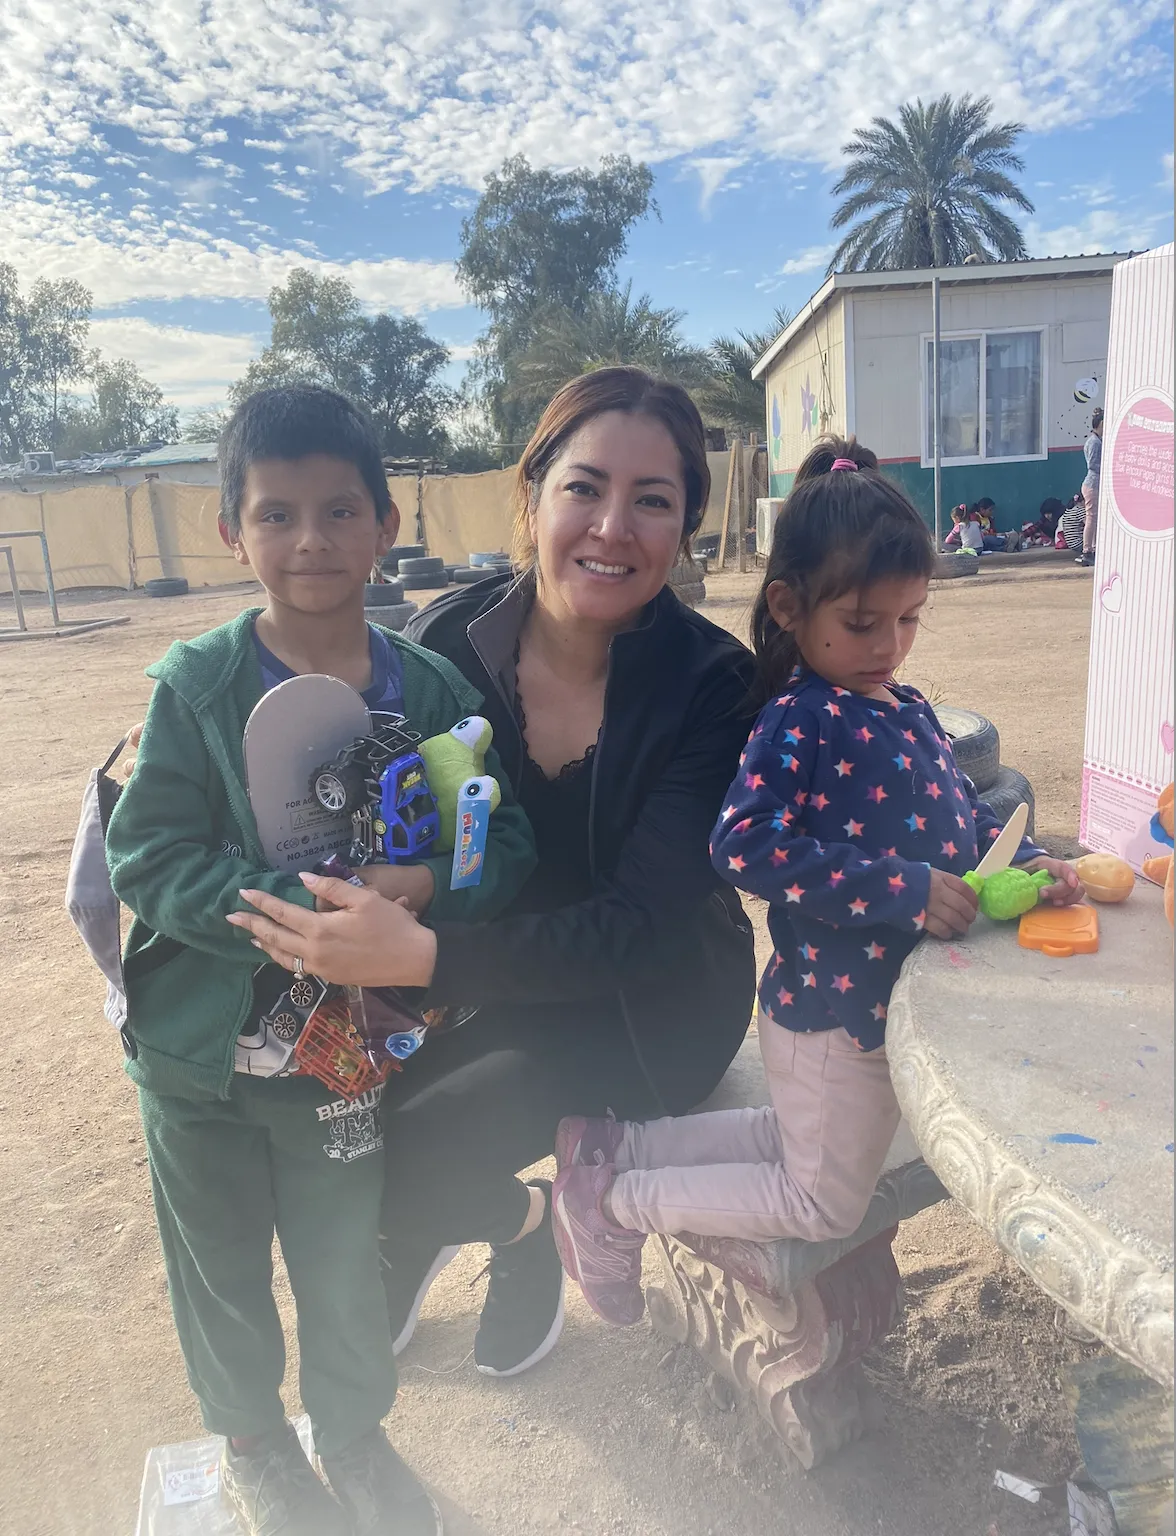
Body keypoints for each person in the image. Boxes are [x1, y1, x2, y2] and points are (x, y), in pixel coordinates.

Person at [228, 368, 759, 1380]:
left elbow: (642, 928)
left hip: (649, 1006)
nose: (613, 526)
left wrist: (426, 955)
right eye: (585, 487)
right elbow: (364, 798)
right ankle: (448, 1223)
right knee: (317, 1133)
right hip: (468, 979)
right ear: (532, 496)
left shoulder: (713, 686)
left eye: (653, 500)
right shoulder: (441, 646)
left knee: (398, 1158)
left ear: (684, 525)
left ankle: (516, 1236)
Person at [106, 385, 535, 1536]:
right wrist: (285, 908)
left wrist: (430, 887)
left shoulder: (431, 692)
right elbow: (145, 858)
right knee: (222, 1275)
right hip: (196, 1065)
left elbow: (509, 841)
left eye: (341, 511)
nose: (311, 541)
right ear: (229, 529)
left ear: (388, 526)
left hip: (344, 1065)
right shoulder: (194, 689)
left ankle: (353, 1434)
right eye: (278, 512)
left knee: (348, 1266)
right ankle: (257, 1448)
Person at [543, 447, 1084, 1325]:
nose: (890, 646)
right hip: (833, 1010)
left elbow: (956, 824)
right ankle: (611, 1206)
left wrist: (1022, 862)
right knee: (823, 1200)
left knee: (796, 1139)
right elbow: (744, 845)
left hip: (877, 1004)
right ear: (791, 608)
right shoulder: (799, 718)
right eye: (865, 622)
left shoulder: (904, 708)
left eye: (909, 620)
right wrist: (904, 890)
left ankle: (613, 1146)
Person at [1077, 407, 1103, 567]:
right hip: (1092, 484)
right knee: (1091, 518)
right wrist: (1107, 468)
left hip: (1094, 484)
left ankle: (1092, 549)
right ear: (1101, 423)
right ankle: (1087, 551)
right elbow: (1092, 464)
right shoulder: (1094, 441)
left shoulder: (1096, 439)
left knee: (1094, 518)